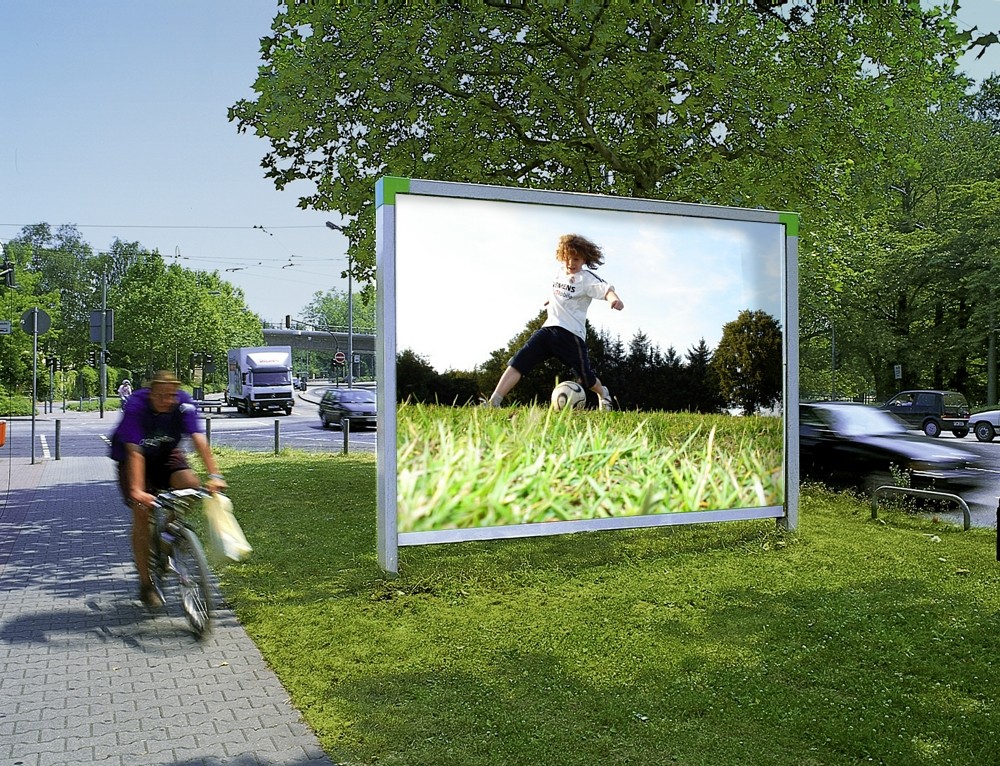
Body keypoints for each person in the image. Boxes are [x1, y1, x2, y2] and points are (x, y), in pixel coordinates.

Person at [110, 370, 228, 607]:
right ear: (151, 393)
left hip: (165, 454)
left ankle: (169, 531)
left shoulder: (183, 402)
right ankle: (146, 584)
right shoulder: (136, 405)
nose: (167, 401)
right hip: (133, 458)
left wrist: (214, 475)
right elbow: (134, 451)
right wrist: (137, 491)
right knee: (142, 514)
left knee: (191, 485)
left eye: (171, 396)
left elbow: (197, 437)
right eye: (161, 396)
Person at [483, 233, 624, 410]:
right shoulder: (559, 274)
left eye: (576, 259)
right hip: (547, 330)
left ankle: (603, 393)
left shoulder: (586, 278)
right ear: (561, 257)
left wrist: (613, 299)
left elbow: (606, 289)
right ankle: (493, 402)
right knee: (518, 361)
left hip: (571, 335)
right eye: (567, 259)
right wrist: (550, 301)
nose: (571, 263)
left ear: (584, 259)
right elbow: (560, 294)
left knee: (585, 378)